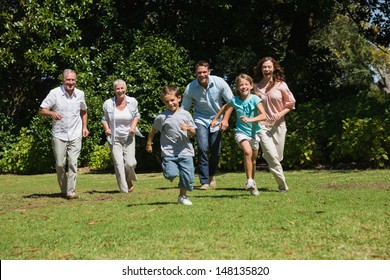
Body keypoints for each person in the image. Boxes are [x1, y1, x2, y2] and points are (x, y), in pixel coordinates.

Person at [181, 60, 234, 190]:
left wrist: (225, 119)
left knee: (215, 152)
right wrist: (182, 124)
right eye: (199, 72)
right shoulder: (191, 88)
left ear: (209, 71)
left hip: (217, 119)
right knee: (203, 148)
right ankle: (204, 181)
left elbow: (232, 102)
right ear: (195, 73)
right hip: (200, 119)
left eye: (205, 72)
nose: (202, 74)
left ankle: (211, 175)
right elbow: (184, 109)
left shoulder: (219, 82)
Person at [211, 74, 266, 196]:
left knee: (253, 161)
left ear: (251, 86)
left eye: (246, 84)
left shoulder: (255, 99)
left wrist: (249, 120)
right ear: (237, 87)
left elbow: (263, 115)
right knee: (247, 151)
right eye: (241, 84)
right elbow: (225, 107)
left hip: (254, 133)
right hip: (241, 132)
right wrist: (215, 119)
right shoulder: (235, 100)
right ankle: (249, 180)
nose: (244, 87)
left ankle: (252, 183)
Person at [39, 69, 89, 199]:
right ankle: (64, 188)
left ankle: (70, 191)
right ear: (63, 80)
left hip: (75, 133)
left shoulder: (80, 94)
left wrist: (85, 127)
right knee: (60, 164)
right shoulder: (54, 93)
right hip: (59, 134)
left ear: (76, 81)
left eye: (73, 80)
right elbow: (42, 110)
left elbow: (83, 110)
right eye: (68, 80)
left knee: (73, 162)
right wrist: (51, 113)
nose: (70, 82)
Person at [146, 85, 197, 205]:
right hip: (169, 152)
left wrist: (188, 128)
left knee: (188, 177)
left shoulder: (186, 114)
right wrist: (149, 143)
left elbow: (194, 133)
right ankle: (170, 172)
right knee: (171, 174)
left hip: (186, 151)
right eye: (167, 101)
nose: (170, 103)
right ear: (164, 102)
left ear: (179, 98)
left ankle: (183, 196)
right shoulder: (162, 117)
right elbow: (153, 130)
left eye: (172, 100)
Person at [253, 57, 296, 192]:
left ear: (273, 69)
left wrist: (280, 114)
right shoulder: (255, 87)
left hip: (278, 125)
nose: (266, 69)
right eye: (264, 67)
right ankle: (282, 184)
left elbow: (290, 104)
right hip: (262, 126)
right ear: (261, 69)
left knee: (277, 156)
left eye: (269, 67)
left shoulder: (281, 85)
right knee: (272, 155)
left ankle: (270, 159)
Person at [102, 79, 142, 193]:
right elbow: (104, 119)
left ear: (125, 89)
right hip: (114, 138)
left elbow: (136, 115)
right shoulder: (108, 103)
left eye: (122, 88)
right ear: (114, 90)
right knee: (118, 164)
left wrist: (133, 127)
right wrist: (107, 129)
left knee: (130, 163)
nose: (120, 90)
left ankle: (129, 179)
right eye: (117, 88)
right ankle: (124, 190)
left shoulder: (132, 101)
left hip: (129, 136)